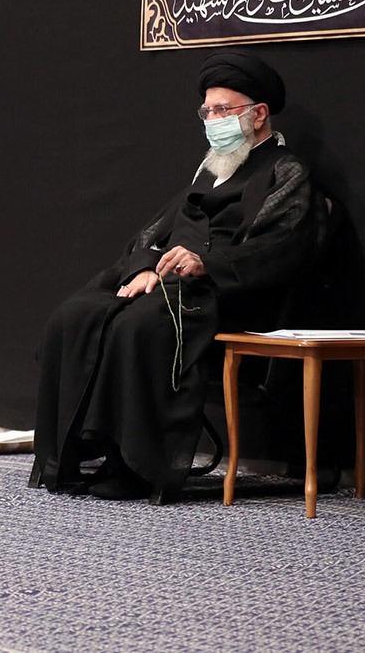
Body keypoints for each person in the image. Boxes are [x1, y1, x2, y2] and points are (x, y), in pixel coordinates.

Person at [29, 51, 327, 501]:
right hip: (174, 287)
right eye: (207, 112)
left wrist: (207, 264)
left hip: (225, 296)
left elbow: (281, 246)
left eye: (223, 110)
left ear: (259, 114)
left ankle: (137, 465)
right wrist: (145, 267)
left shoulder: (286, 172)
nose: (213, 120)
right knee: (77, 313)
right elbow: (153, 232)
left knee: (138, 325)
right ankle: (71, 455)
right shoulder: (210, 170)